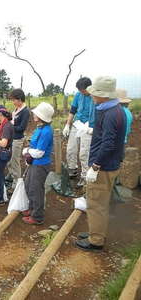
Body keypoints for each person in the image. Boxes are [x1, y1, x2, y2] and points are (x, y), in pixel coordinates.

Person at [75, 76, 126, 252]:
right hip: (109, 163)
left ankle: (96, 240)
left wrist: (96, 165)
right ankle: (94, 231)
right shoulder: (113, 109)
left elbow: (108, 143)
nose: (92, 96)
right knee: (99, 201)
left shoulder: (111, 113)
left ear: (104, 95)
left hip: (103, 167)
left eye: (95, 93)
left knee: (96, 204)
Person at [22, 102, 54, 225]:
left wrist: (27, 151)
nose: (34, 114)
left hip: (40, 164)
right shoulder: (39, 128)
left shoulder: (46, 131)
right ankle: (32, 208)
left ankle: (37, 216)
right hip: (34, 163)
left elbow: (40, 153)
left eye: (36, 113)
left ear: (42, 116)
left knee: (36, 189)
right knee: (28, 185)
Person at [62, 77, 95, 187]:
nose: (81, 92)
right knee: (70, 149)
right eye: (80, 90)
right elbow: (73, 111)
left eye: (83, 90)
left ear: (89, 88)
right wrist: (67, 124)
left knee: (84, 153)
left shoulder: (95, 97)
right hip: (77, 124)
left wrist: (94, 127)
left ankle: (85, 176)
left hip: (88, 126)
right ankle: (72, 169)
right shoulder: (78, 95)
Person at [6, 89, 30, 190]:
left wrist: (10, 125)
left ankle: (17, 182)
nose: (13, 102)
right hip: (11, 138)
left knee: (14, 160)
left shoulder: (25, 111)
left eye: (13, 100)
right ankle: (12, 175)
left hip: (17, 139)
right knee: (9, 160)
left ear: (19, 99)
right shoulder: (16, 110)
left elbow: (21, 128)